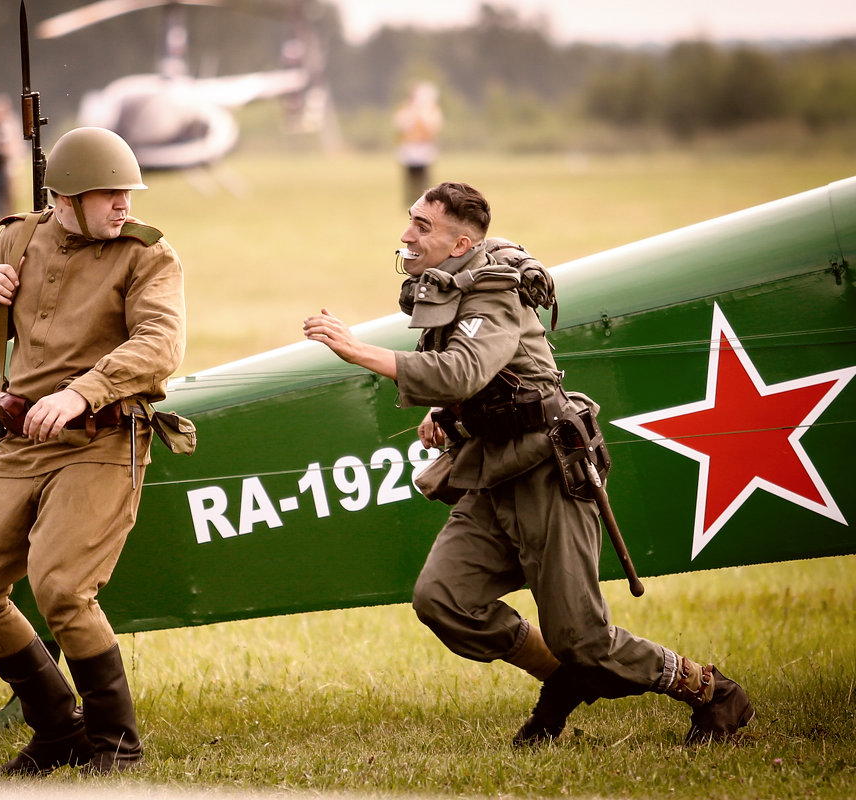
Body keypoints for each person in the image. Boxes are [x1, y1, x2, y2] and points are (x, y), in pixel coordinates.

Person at [302, 181, 754, 746]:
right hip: (492, 470)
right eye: (411, 220)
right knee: (443, 599)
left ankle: (712, 692)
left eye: (423, 226)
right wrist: (449, 413)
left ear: (461, 241)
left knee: (585, 637)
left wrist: (355, 349)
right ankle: (565, 678)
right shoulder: (451, 283)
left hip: (547, 471)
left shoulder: (494, 291)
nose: (407, 234)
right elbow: (476, 379)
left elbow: (463, 369)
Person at [0, 127, 186, 775]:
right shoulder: (18, 237)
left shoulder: (148, 257)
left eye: (127, 193)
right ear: (64, 199)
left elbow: (160, 346)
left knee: (63, 589)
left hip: (102, 437)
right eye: (107, 195)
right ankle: (57, 730)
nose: (123, 206)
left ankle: (116, 746)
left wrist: (84, 393)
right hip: (21, 441)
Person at [393, 81, 442, 207]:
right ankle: (410, 201)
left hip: (424, 148)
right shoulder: (405, 109)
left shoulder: (431, 111)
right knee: (410, 177)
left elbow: (433, 127)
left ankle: (425, 201)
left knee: (424, 177)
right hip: (410, 148)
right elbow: (400, 126)